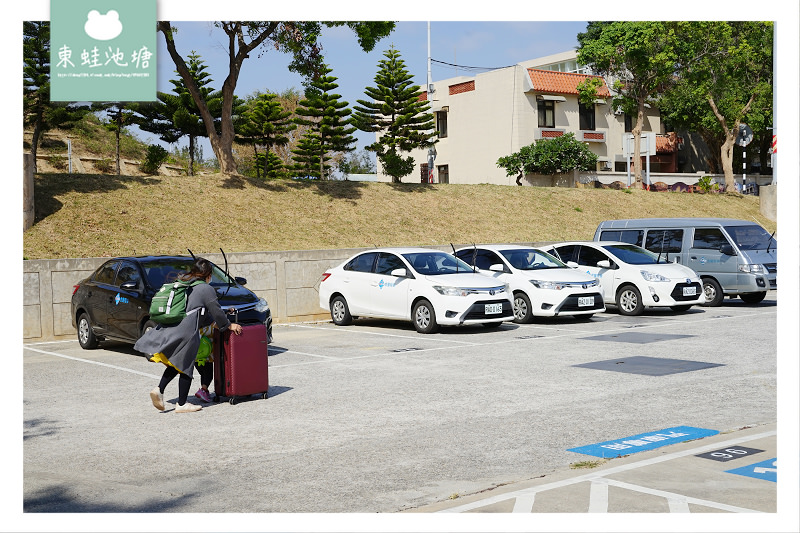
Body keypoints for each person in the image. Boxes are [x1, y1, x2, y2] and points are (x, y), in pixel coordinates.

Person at [134, 257, 242, 413]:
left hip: (175, 326)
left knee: (176, 363)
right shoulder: (206, 289)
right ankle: (182, 403)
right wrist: (228, 325)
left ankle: (159, 389)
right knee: (186, 367)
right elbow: (215, 311)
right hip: (187, 331)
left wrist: (220, 317)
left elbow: (201, 313)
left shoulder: (187, 284)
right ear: (208, 274)